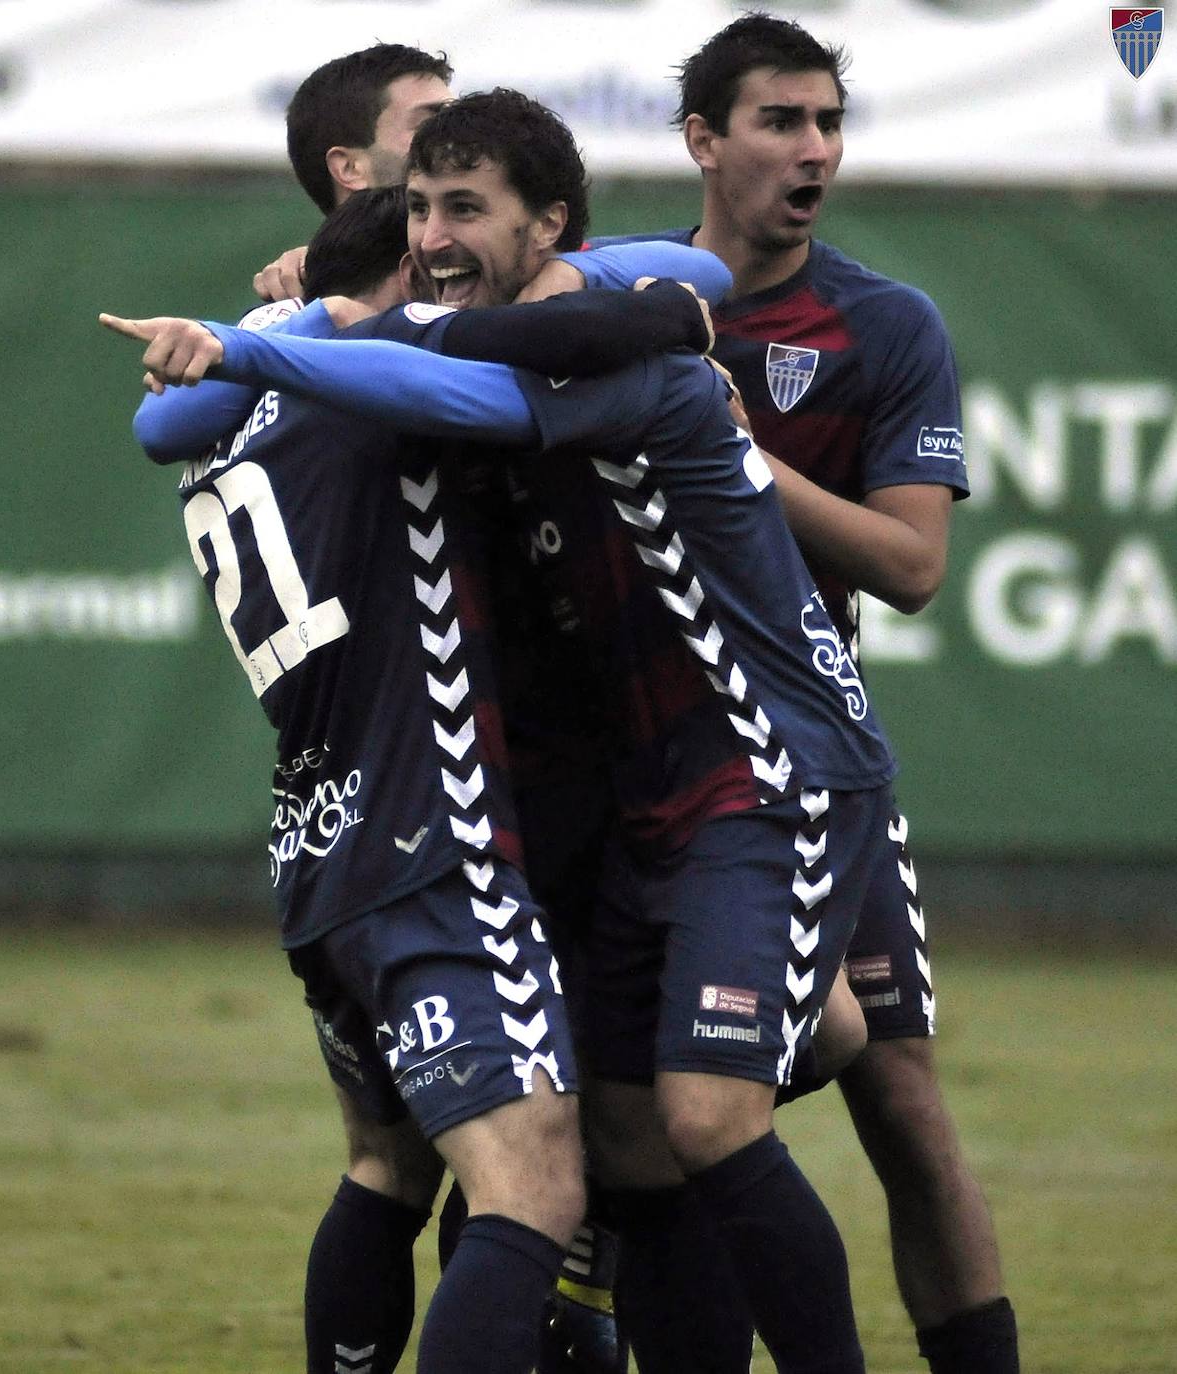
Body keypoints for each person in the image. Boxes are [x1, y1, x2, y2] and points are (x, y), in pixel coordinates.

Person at [104, 87, 908, 1374]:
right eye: (417, 208)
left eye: (462, 208)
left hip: (763, 776)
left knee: (646, 1133)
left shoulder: (616, 356)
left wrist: (271, 334)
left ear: (552, 230)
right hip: (532, 816)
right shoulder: (435, 360)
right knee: (595, 1160)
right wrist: (322, 319)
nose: (433, 235)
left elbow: (655, 290)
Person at [583, 13, 1018, 1374]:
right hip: (628, 764)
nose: (814, 148)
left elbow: (911, 565)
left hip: (802, 761)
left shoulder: (884, 322)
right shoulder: (608, 306)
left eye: (829, 121)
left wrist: (736, 454)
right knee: (644, 1126)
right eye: (781, 121)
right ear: (704, 141)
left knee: (896, 1094)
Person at [253, 42, 453, 303]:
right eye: (430, 124)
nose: (458, 136)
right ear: (350, 168)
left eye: (456, 118)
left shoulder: (497, 281)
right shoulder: (289, 323)